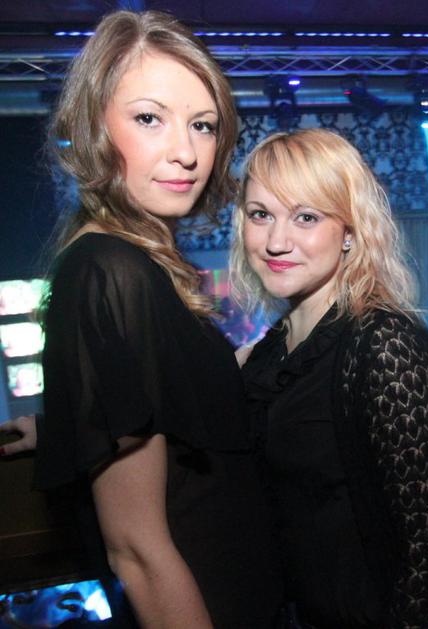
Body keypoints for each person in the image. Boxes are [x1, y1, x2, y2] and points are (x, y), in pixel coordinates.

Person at [0, 10, 283, 629]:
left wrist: (72, 423)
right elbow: (137, 551)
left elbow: (173, 415)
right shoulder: (110, 272)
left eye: (202, 125)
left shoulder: (137, 264)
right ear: (93, 127)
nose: (186, 153)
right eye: (149, 118)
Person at [229, 128, 428, 628]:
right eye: (260, 214)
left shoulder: (386, 346)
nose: (276, 241)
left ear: (349, 231)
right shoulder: (271, 354)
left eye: (306, 217)